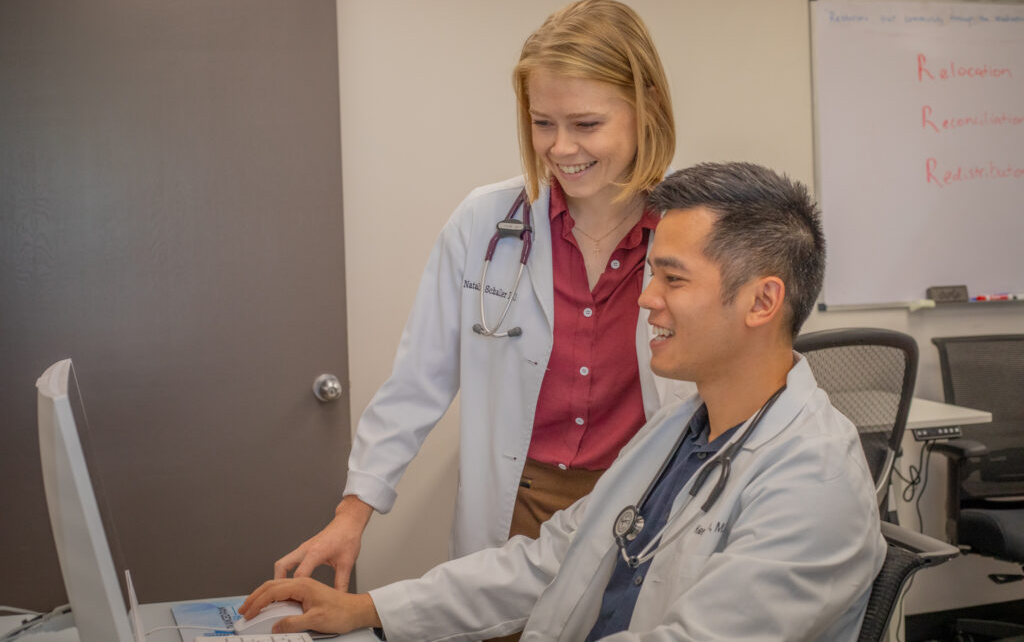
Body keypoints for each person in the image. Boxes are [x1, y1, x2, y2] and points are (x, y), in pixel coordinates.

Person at [241, 161, 887, 641]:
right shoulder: (675, 433)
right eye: (650, 271)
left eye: (673, 278)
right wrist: (369, 611)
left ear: (762, 301)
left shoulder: (814, 481)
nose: (645, 297)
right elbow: (548, 562)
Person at [275, 0, 694, 592]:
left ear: (646, 104)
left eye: (586, 124)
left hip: (647, 504)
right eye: (543, 122)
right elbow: (418, 381)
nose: (561, 147)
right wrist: (353, 512)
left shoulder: (698, 229)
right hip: (517, 509)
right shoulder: (484, 222)